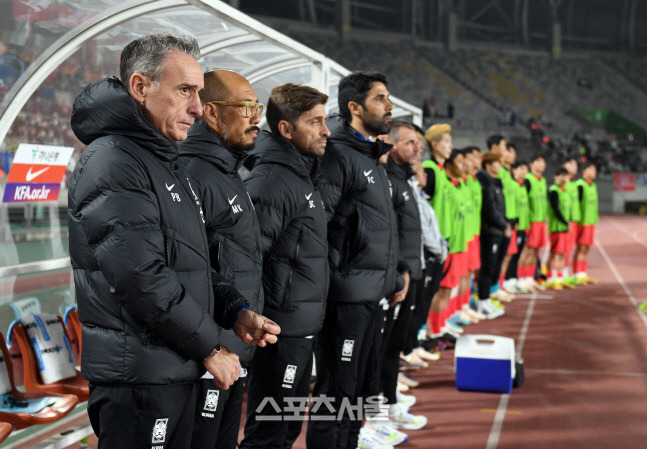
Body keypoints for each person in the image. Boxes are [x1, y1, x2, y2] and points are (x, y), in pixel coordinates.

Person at [68, 33, 279, 448]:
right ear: (140, 87)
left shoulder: (162, 161)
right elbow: (141, 277)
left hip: (167, 367)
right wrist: (210, 348)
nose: (198, 108)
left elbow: (187, 263)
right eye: (185, 91)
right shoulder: (115, 160)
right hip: (141, 377)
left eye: (198, 93)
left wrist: (234, 308)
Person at [307, 71, 399, 449]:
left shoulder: (371, 156)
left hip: (369, 292)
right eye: (381, 99)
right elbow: (317, 227)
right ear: (354, 108)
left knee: (357, 390)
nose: (390, 105)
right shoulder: (338, 155)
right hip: (346, 296)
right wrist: (337, 280)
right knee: (336, 393)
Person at [240, 83, 330, 449]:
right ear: (286, 130)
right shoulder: (273, 180)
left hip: (297, 324)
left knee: (287, 428)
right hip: (280, 328)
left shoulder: (297, 175)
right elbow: (247, 258)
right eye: (316, 122)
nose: (326, 130)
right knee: (270, 431)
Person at [178, 70, 264, 449]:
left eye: (256, 106)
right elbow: (187, 270)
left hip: (233, 345)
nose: (255, 117)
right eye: (246, 106)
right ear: (211, 113)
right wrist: (211, 346)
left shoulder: (228, 171)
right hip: (210, 352)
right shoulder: (193, 172)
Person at [378, 121, 427, 430]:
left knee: (392, 348)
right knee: (381, 350)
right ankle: (381, 410)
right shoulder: (389, 181)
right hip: (396, 279)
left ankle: (390, 402)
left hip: (407, 274)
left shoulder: (403, 180)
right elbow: (389, 236)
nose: (417, 149)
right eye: (411, 143)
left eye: (419, 144)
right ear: (392, 145)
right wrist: (402, 273)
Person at [476, 152, 508, 318]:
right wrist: (503, 224)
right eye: (496, 163)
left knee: (492, 266)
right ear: (488, 165)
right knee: (487, 267)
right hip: (490, 231)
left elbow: (499, 208)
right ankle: (482, 301)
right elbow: (490, 209)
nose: (499, 166)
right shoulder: (487, 184)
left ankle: (486, 298)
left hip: (497, 230)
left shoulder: (495, 183)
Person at [517, 154, 548, 291]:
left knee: (536, 251)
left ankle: (530, 277)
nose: (541, 164)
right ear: (532, 164)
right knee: (527, 250)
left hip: (541, 221)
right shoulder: (528, 181)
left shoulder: (542, 180)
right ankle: (521, 278)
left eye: (543, 161)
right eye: (538, 161)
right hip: (531, 221)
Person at [546, 168, 573, 289]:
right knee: (555, 253)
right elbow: (556, 209)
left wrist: (569, 221)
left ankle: (560, 277)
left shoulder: (566, 191)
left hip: (564, 227)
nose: (564, 178)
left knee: (562, 253)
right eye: (561, 175)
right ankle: (551, 276)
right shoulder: (553, 191)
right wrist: (565, 222)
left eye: (565, 175)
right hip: (557, 227)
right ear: (555, 177)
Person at [572, 162, 599, 284]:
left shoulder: (592, 185)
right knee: (580, 247)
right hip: (581, 223)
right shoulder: (580, 186)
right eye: (590, 169)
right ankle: (577, 273)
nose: (593, 172)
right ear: (583, 171)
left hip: (590, 222)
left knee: (587, 248)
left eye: (594, 170)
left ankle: (583, 272)